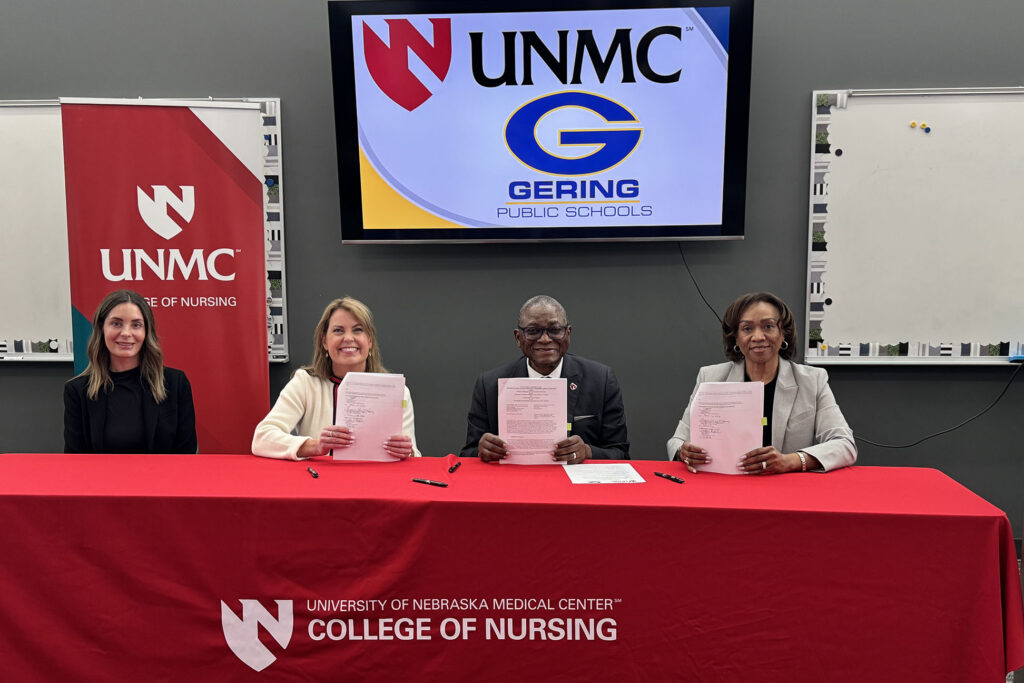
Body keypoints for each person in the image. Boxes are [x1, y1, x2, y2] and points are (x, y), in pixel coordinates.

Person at [668, 291, 856, 474]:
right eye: (747, 328)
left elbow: (844, 444)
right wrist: (684, 452)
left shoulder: (812, 381)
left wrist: (790, 461)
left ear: (783, 334)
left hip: (786, 490)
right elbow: (676, 441)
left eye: (768, 326)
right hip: (725, 485)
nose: (758, 337)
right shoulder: (710, 377)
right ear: (736, 337)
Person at [461, 295, 629, 463]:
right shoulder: (489, 384)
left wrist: (587, 451)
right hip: (514, 483)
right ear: (518, 338)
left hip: (577, 484)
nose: (545, 339)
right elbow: (467, 454)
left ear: (568, 333)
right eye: (533, 331)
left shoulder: (601, 380)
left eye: (555, 330)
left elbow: (620, 453)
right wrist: (482, 451)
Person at [252, 297, 419, 460]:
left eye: (358, 330)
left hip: (378, 482)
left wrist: (407, 452)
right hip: (317, 482)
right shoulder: (305, 383)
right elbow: (262, 438)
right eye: (338, 330)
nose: (348, 338)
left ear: (370, 341)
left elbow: (414, 455)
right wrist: (315, 446)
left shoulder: (398, 392)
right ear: (324, 341)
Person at [63, 289, 197, 453]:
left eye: (136, 325)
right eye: (116, 323)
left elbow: (187, 456)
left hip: (162, 479)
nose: (126, 333)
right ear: (101, 328)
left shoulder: (176, 384)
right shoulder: (78, 391)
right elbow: (75, 462)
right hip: (101, 479)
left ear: (146, 332)